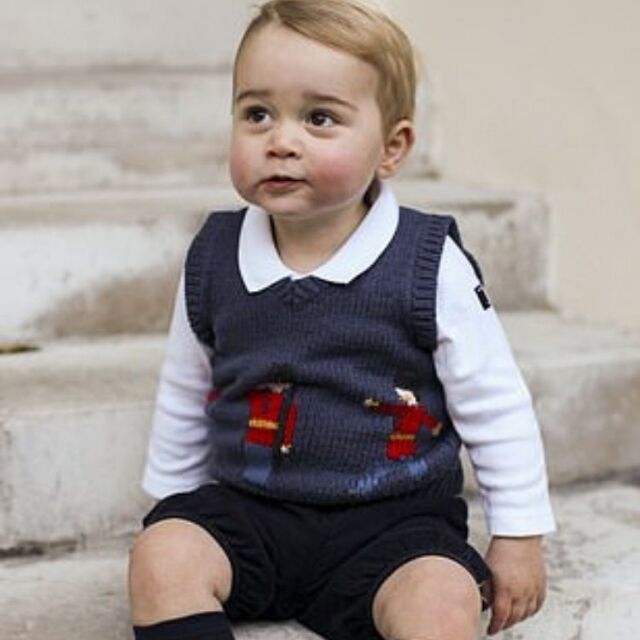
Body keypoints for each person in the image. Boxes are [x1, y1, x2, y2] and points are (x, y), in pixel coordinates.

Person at [128, 1, 556, 639]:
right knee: (159, 559)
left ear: (392, 148)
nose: (280, 140)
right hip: (250, 510)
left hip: (394, 526)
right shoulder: (214, 257)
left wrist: (518, 535)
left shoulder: (425, 263)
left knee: (440, 602)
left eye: (319, 117)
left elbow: (495, 402)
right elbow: (186, 387)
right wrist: (174, 506)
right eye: (257, 113)